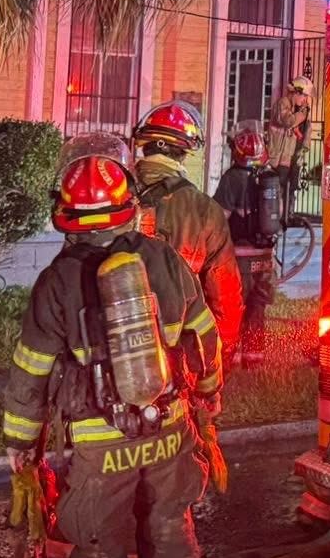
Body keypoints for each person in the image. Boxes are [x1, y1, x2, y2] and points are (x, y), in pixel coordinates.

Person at [2, 134, 224, 558]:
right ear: (129, 206)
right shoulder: (164, 259)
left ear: (66, 216)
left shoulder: (56, 281)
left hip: (99, 439)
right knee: (169, 528)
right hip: (168, 425)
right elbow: (203, 335)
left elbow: (31, 372)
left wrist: (21, 443)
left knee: (98, 542)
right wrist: (208, 395)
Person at [132, 101, 244, 355]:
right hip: (180, 348)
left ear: (145, 147)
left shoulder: (114, 198)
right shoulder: (204, 210)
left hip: (114, 353)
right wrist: (219, 354)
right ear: (183, 153)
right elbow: (224, 292)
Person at [213, 125, 280, 364]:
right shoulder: (269, 178)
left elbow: (219, 217)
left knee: (234, 305)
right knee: (257, 305)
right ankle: (254, 358)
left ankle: (230, 356)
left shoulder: (231, 179)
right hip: (265, 255)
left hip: (239, 257)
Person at [266, 76, 314, 194]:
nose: (305, 99)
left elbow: (306, 130)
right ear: (295, 92)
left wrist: (304, 148)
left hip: (292, 159)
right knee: (278, 193)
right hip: (279, 160)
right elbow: (289, 121)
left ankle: (289, 212)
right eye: (304, 95)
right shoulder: (282, 103)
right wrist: (302, 114)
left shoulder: (299, 109)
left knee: (291, 192)